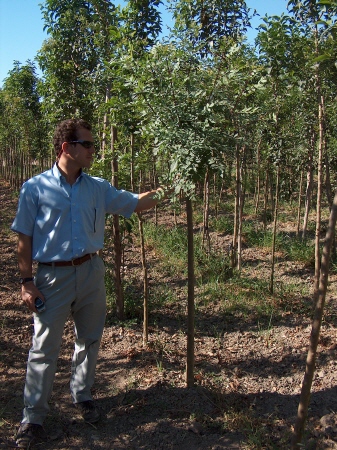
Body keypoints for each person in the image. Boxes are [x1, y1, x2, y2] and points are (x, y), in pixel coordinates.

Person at [11, 118, 165, 449]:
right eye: (88, 144)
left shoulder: (97, 187)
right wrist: (26, 281)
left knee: (90, 338)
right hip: (52, 277)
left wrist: (171, 189)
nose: (94, 150)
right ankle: (33, 417)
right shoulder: (34, 188)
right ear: (68, 148)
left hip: (92, 272)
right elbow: (23, 236)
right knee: (44, 346)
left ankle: (82, 394)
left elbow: (136, 202)